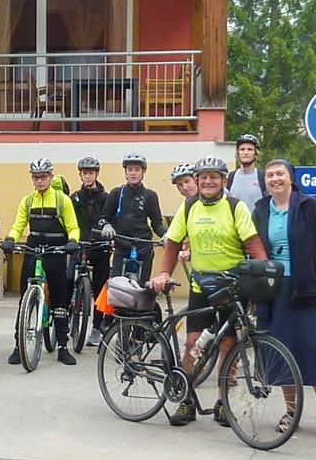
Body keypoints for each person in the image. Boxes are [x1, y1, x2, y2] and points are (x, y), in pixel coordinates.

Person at [151, 156, 267, 427]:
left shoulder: (236, 207)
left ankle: (222, 403)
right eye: (203, 177)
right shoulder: (190, 207)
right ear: (198, 180)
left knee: (229, 346)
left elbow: (253, 243)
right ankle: (187, 400)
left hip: (232, 286)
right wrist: (164, 272)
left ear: (224, 180)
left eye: (214, 176)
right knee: (194, 344)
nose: (208, 181)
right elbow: (173, 242)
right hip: (201, 286)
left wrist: (262, 272)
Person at [252, 159, 316, 442]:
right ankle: (291, 412)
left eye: (280, 174)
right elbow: (252, 247)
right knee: (283, 353)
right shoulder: (261, 209)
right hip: (274, 290)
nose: (275, 179)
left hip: (309, 290)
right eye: (270, 175)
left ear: (291, 178)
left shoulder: (309, 206)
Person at [2, 158, 80, 366]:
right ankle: (18, 346)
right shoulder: (28, 201)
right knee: (23, 298)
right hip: (33, 249)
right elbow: (19, 224)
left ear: (51, 177)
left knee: (59, 298)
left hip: (56, 250)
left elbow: (73, 227)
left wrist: (72, 241)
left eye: (43, 177)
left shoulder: (63, 200)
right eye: (36, 177)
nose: (39, 181)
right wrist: (10, 238)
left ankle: (62, 346)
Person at [98, 152, 166, 284]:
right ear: (125, 172)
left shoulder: (150, 195)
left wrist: (165, 235)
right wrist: (107, 226)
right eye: (130, 169)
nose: (133, 173)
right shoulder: (116, 193)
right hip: (122, 244)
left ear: (143, 172)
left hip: (143, 245)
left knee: (143, 287)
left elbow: (156, 223)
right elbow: (103, 218)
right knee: (116, 285)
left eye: (137, 169)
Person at [70, 156, 109, 347]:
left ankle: (96, 327)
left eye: (91, 173)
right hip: (80, 244)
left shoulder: (105, 197)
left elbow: (110, 218)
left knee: (101, 287)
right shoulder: (75, 198)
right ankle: (69, 311)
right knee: (68, 278)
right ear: (80, 175)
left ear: (96, 174)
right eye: (85, 173)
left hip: (100, 245)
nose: (88, 176)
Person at [227, 133, 267, 210]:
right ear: (238, 153)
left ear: (256, 154)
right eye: (242, 149)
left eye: (250, 149)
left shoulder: (263, 177)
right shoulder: (230, 177)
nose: (246, 152)